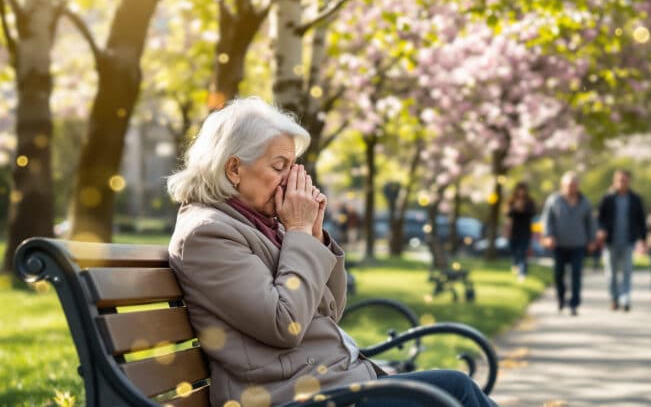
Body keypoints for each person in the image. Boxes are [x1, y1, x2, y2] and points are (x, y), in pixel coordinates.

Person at [166, 97, 495, 407]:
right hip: (290, 397)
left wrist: (314, 236)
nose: (292, 180)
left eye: (294, 167)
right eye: (279, 166)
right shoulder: (207, 234)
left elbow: (330, 308)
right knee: (455, 390)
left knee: (453, 388)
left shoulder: (261, 223)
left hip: (328, 385)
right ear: (234, 169)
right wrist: (297, 234)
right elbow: (286, 325)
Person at [541, 171, 596, 316]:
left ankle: (574, 303)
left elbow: (590, 223)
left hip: (578, 243)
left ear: (578, 186)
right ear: (563, 185)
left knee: (576, 275)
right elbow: (547, 220)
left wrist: (591, 240)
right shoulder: (554, 200)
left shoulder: (585, 202)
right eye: (569, 185)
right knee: (559, 274)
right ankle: (560, 299)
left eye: (574, 185)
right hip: (559, 244)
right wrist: (548, 236)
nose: (571, 187)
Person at [597, 170, 647, 312]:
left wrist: (643, 239)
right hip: (610, 241)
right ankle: (614, 298)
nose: (621, 183)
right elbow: (600, 218)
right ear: (614, 181)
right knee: (611, 273)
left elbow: (641, 221)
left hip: (628, 241)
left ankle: (625, 298)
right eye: (619, 180)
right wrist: (601, 230)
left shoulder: (635, 199)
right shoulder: (607, 198)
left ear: (629, 181)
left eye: (624, 180)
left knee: (627, 271)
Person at [506, 182, 536, 280]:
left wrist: (523, 208)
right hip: (514, 231)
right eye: (519, 189)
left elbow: (533, 213)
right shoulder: (512, 201)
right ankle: (516, 266)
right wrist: (515, 207)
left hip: (525, 232)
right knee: (515, 252)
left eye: (523, 190)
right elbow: (508, 214)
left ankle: (522, 273)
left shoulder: (530, 202)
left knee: (523, 252)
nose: (521, 192)